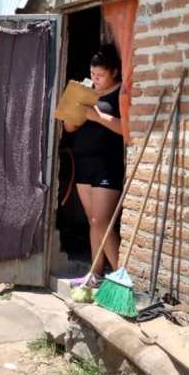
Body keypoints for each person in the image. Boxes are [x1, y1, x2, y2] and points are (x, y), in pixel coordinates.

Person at [63, 44, 125, 285]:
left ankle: (120, 276)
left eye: (100, 75)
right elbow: (69, 128)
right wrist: (73, 110)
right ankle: (96, 273)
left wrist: (97, 116)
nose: (95, 79)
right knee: (93, 222)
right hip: (84, 164)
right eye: (93, 74)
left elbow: (126, 129)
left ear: (115, 73)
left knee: (102, 221)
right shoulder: (87, 91)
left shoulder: (121, 94)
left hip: (107, 164)